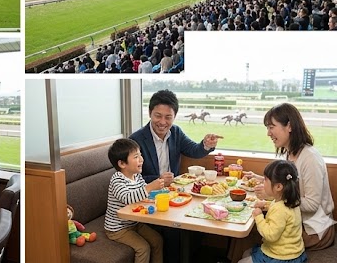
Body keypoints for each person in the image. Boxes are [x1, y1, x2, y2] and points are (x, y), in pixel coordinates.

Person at [131, 90, 222, 263]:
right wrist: (158, 179)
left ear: (174, 117)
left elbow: (194, 150)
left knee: (198, 221)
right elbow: (131, 177)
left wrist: (206, 144)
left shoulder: (176, 132)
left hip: (174, 194)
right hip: (148, 198)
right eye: (158, 116)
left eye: (168, 117)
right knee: (174, 230)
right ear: (150, 113)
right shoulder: (136, 139)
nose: (162, 122)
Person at [248, 104, 336, 250]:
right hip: (296, 220)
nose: (268, 133)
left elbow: (312, 205)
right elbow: (288, 184)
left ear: (289, 126)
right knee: (252, 226)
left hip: (313, 230)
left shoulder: (310, 159)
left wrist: (273, 196)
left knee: (254, 231)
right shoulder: (290, 153)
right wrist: (260, 179)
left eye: (271, 127)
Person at [104, 138, 164, 263]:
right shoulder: (117, 180)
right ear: (122, 164)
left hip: (134, 222)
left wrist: (160, 193)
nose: (141, 159)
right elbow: (128, 198)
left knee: (157, 240)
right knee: (143, 248)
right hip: (118, 228)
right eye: (136, 157)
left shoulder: (137, 176)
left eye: (140, 155)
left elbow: (145, 194)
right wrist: (150, 187)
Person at [236, 160, 306, 263]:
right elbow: (279, 209)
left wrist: (259, 216)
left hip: (280, 257)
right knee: (247, 253)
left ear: (278, 187)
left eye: (265, 179)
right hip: (293, 252)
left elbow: (270, 235)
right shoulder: (290, 201)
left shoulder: (280, 210)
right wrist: (265, 204)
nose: (263, 182)